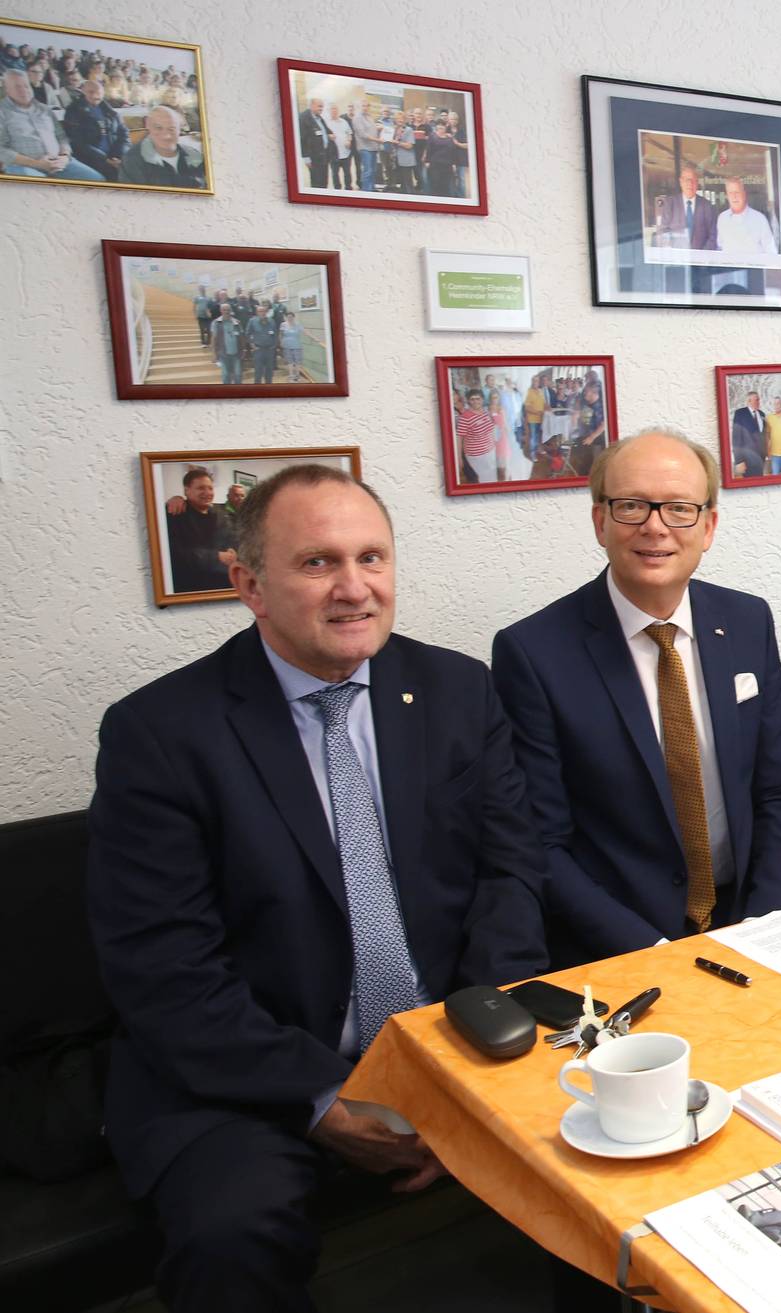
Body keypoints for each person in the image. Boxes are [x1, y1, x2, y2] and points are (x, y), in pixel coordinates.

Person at [87, 464, 547, 1313]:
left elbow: (508, 875)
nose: (353, 588)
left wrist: (467, 1069)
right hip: (247, 1070)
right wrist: (323, 1099)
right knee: (233, 1233)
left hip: (448, 1036)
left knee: (622, 1137)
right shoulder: (160, 734)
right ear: (248, 585)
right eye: (317, 562)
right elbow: (164, 968)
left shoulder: (456, 689)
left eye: (372, 557)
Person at [492, 427, 781, 966]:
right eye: (632, 505)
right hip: (619, 945)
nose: (655, 527)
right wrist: (652, 952)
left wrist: (766, 921)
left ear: (708, 527)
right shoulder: (533, 653)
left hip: (748, 921)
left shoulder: (748, 621)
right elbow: (541, 843)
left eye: (680, 508)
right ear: (601, 521)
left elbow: (780, 790)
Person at [3, 66, 102, 180]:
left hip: (59, 162)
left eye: (26, 86)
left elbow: (61, 137)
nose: (24, 90)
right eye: (17, 87)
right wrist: (36, 163)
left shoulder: (45, 109)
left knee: (97, 179)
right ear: (7, 90)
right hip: (24, 166)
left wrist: (64, 156)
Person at [163, 467, 235, 594]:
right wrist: (217, 556)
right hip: (191, 588)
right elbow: (174, 554)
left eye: (210, 488)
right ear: (186, 490)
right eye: (201, 488)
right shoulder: (174, 513)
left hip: (222, 584)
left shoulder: (219, 513)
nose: (207, 493)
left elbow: (231, 538)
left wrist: (233, 550)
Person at [119, 103, 205, 188]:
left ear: (180, 129)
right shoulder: (132, 161)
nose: (166, 135)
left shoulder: (194, 155)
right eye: (158, 128)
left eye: (171, 129)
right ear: (147, 125)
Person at [62, 75, 124, 181]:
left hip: (114, 156)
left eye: (99, 93)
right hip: (90, 158)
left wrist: (119, 155)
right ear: (83, 92)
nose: (95, 96)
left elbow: (123, 134)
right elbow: (77, 142)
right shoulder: (73, 111)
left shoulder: (109, 111)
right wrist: (105, 159)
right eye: (91, 92)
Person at [712, 175, 778, 255]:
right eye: (730, 193)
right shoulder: (722, 218)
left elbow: (771, 251)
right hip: (729, 263)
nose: (734, 196)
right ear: (727, 196)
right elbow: (720, 247)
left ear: (744, 194)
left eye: (737, 192)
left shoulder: (760, 219)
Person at [452, 386, 505, 484]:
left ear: (482, 399)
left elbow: (493, 429)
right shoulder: (465, 417)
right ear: (468, 401)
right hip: (476, 455)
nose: (475, 401)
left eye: (478, 399)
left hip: (490, 451)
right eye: (472, 399)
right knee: (485, 478)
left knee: (493, 475)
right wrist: (459, 458)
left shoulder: (486, 412)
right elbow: (459, 438)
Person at [665, 159, 715, 251]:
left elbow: (713, 235)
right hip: (677, 257)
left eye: (693, 180)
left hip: (701, 257)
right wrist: (672, 253)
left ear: (697, 183)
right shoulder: (670, 204)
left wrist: (702, 255)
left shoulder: (706, 206)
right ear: (680, 182)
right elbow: (663, 232)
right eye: (686, 180)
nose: (690, 183)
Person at [570, 375, 609, 476]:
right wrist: (577, 415)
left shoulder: (599, 407)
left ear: (594, 393)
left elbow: (603, 425)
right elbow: (585, 418)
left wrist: (591, 437)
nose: (584, 394)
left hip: (597, 440)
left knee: (596, 462)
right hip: (587, 436)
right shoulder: (588, 403)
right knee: (579, 455)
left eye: (586, 392)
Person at [729, 389, 765, 479]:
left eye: (759, 399)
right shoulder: (740, 413)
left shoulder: (762, 414)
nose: (759, 402)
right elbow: (736, 438)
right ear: (749, 401)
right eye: (756, 400)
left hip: (760, 458)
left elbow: (763, 435)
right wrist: (739, 461)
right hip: (747, 459)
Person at [296, 95, 330, 190]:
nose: (321, 109)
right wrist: (306, 158)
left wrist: (330, 134)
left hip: (323, 156)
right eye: (319, 106)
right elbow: (302, 139)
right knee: (317, 183)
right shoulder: (303, 118)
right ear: (311, 105)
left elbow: (325, 130)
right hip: (314, 158)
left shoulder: (319, 118)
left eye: (322, 106)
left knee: (324, 182)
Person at [423, 119, 463, 199]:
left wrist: (454, 164)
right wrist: (427, 161)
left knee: (446, 186)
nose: (440, 129)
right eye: (439, 127)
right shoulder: (432, 136)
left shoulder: (450, 138)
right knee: (435, 185)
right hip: (435, 165)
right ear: (436, 127)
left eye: (442, 127)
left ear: (445, 127)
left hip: (447, 166)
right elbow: (429, 149)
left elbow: (453, 151)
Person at [210, 301, 243, 385]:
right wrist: (213, 353)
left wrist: (243, 350)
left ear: (231, 310)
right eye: (224, 310)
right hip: (223, 354)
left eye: (228, 310)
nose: (226, 311)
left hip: (236, 354)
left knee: (238, 375)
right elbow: (213, 339)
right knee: (225, 375)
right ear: (221, 311)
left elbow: (241, 338)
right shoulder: (216, 323)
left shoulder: (237, 322)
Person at [246, 305, 280, 386]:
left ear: (266, 312)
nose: (262, 313)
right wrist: (252, 344)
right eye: (260, 311)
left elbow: (275, 334)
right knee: (258, 370)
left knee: (269, 371)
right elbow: (247, 333)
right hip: (258, 349)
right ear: (257, 312)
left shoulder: (271, 321)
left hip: (270, 350)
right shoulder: (252, 321)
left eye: (264, 311)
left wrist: (274, 345)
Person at [350, 101, 379, 192]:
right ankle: (366, 191)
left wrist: (379, 129)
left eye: (367, 106)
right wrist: (377, 140)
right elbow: (362, 134)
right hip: (365, 148)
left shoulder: (369, 117)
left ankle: (372, 188)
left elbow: (372, 130)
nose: (365, 108)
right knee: (368, 170)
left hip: (373, 147)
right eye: (363, 106)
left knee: (373, 170)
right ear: (359, 107)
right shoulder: (357, 118)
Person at [325, 102, 353, 189]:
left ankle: (348, 188)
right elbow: (322, 135)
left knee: (347, 173)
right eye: (332, 109)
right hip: (333, 154)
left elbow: (349, 133)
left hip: (346, 153)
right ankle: (337, 190)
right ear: (329, 111)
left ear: (338, 110)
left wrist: (349, 140)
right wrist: (328, 136)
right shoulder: (326, 123)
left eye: (335, 109)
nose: (334, 111)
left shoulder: (344, 122)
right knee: (335, 174)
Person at [390, 114, 419, 194]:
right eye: (398, 118)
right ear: (395, 120)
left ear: (405, 120)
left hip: (406, 160)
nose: (400, 120)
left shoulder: (408, 130)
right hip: (397, 159)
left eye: (402, 118)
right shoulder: (394, 130)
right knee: (402, 183)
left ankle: (410, 198)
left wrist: (397, 143)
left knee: (408, 183)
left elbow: (410, 146)